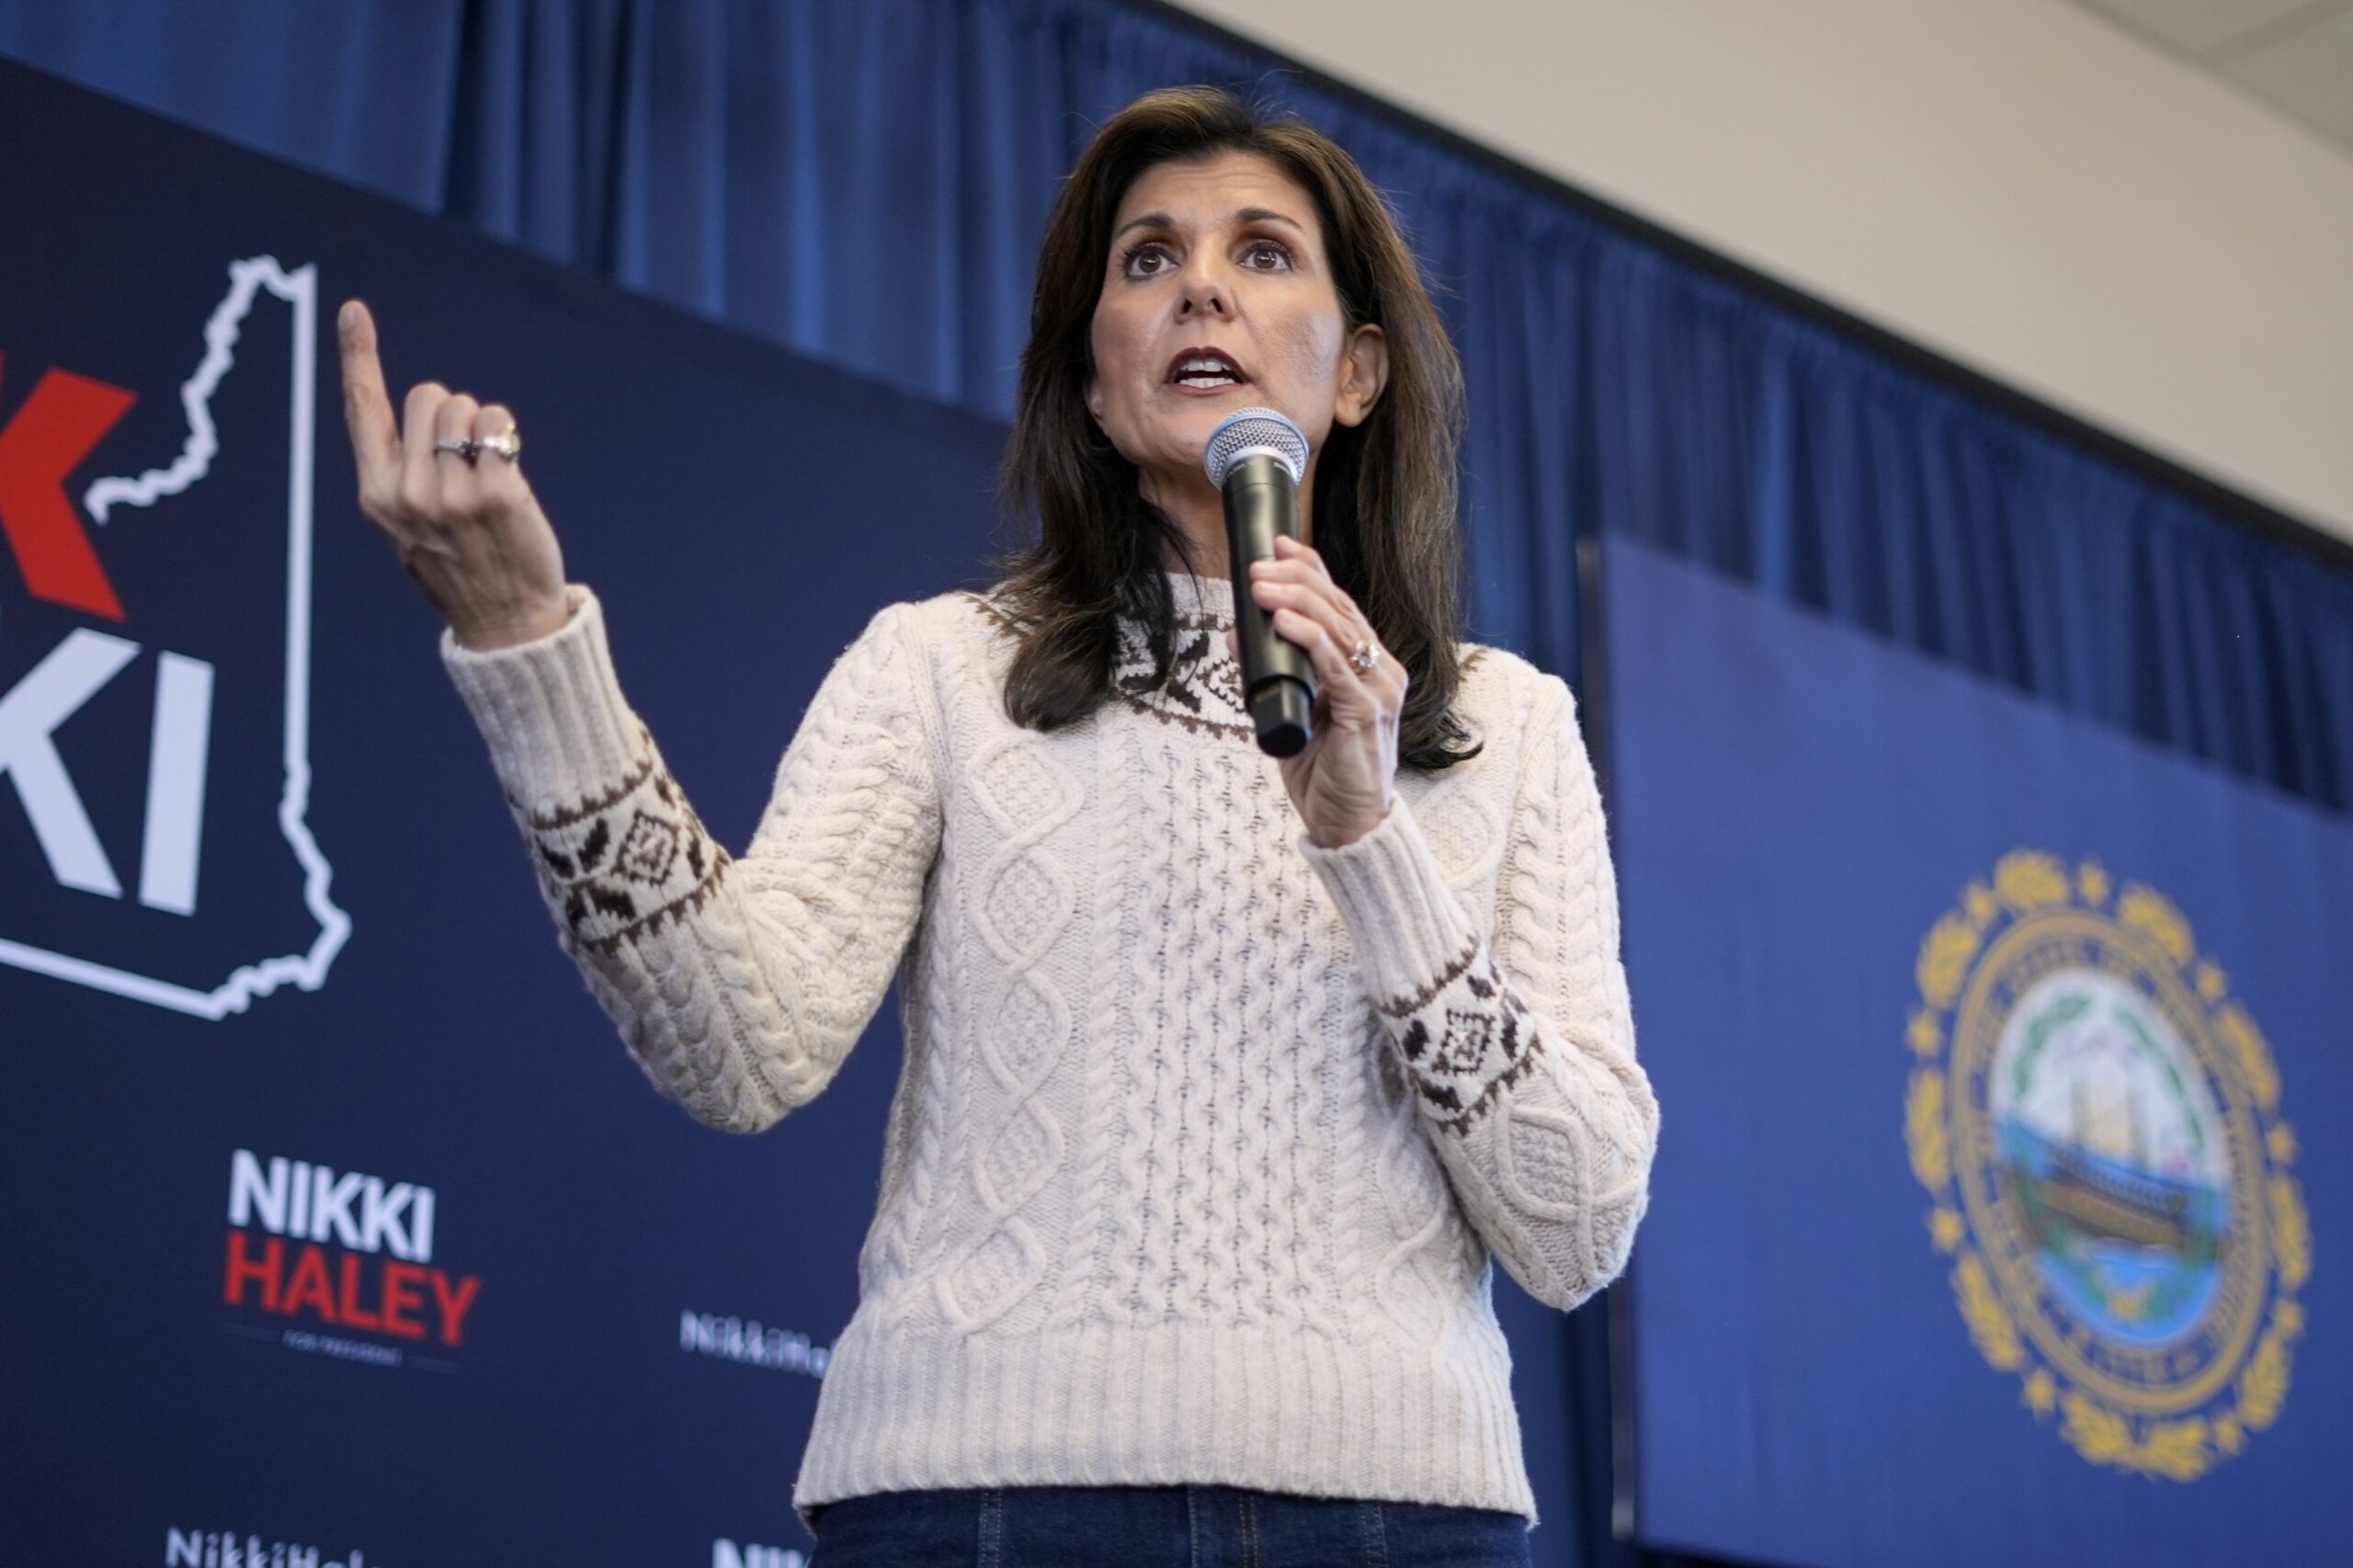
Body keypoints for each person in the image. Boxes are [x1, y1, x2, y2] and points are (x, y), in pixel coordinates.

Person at [337, 85, 1656, 1568]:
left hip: (1399, 1524)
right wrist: (529, 648)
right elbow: (740, 1044)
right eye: (1148, 259)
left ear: (1358, 373)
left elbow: (1578, 1222)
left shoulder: (1507, 724)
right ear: (1094, 380)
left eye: (1261, 251)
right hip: (983, 1507)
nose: (1201, 286)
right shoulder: (942, 668)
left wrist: (1371, 844)